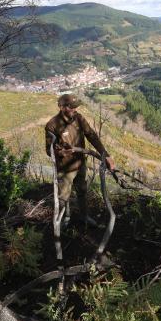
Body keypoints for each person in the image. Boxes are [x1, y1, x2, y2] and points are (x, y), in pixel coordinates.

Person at [45, 93, 115, 226]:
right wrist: (60, 153)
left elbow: (92, 136)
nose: (74, 110)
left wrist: (105, 155)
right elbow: (48, 150)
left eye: (75, 107)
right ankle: (65, 219)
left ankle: (84, 217)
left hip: (80, 165)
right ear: (62, 107)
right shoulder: (52, 125)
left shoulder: (79, 118)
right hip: (65, 169)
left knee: (82, 191)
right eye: (71, 107)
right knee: (63, 197)